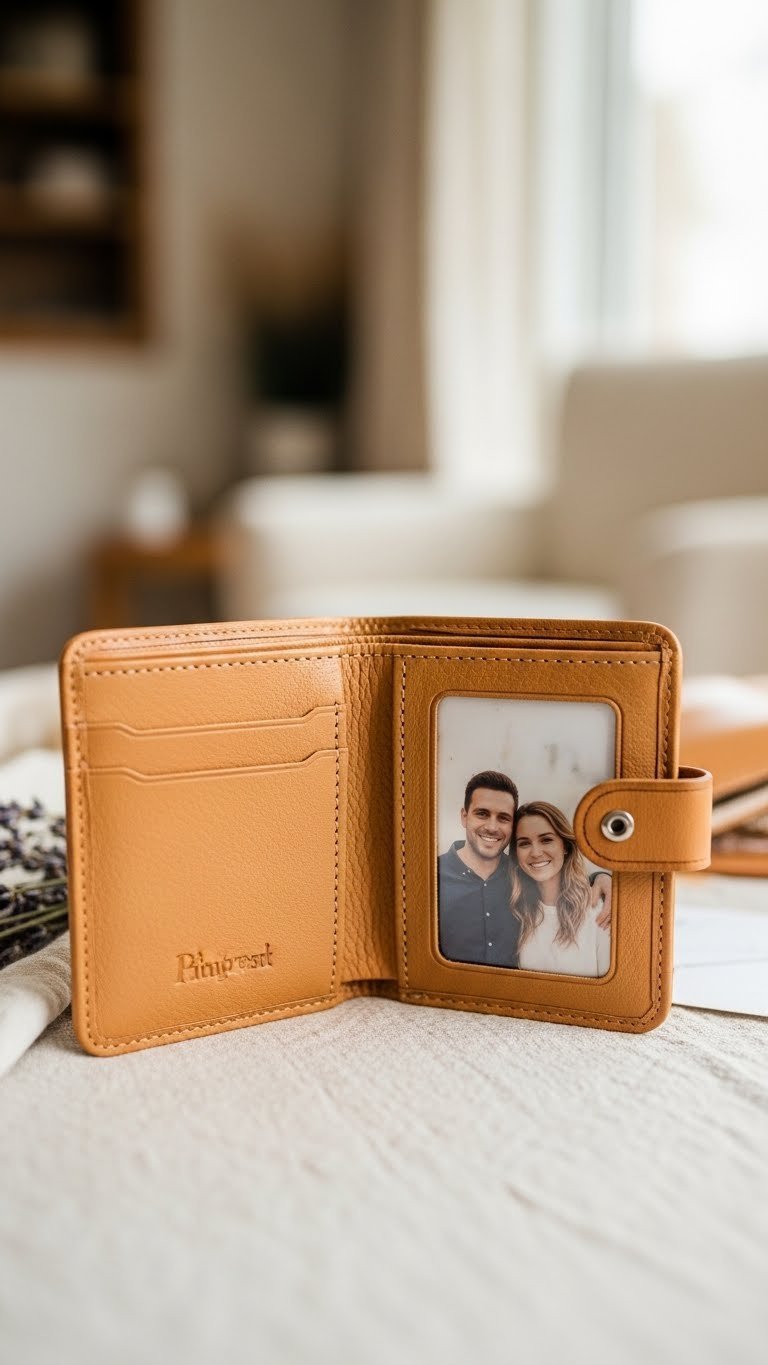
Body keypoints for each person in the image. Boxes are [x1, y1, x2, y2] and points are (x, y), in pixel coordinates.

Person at [510, 801, 610, 977]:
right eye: (524, 843)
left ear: (565, 846)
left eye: (546, 840)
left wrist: (605, 877)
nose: (535, 852)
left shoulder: (599, 909)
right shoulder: (516, 913)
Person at [438, 771, 520, 967]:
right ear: (464, 817)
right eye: (482, 814)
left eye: (503, 818)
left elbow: (566, 886)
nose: (492, 827)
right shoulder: (431, 876)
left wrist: (595, 881)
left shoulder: (523, 875)